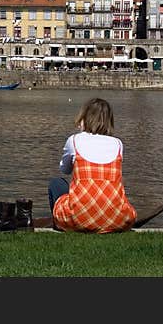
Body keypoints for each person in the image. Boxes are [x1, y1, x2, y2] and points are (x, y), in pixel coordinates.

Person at [48, 97, 136, 233]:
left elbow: (64, 170)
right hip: (116, 218)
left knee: (56, 183)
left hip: (80, 216)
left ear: (85, 118)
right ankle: (107, 218)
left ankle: (60, 224)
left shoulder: (75, 140)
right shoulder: (118, 144)